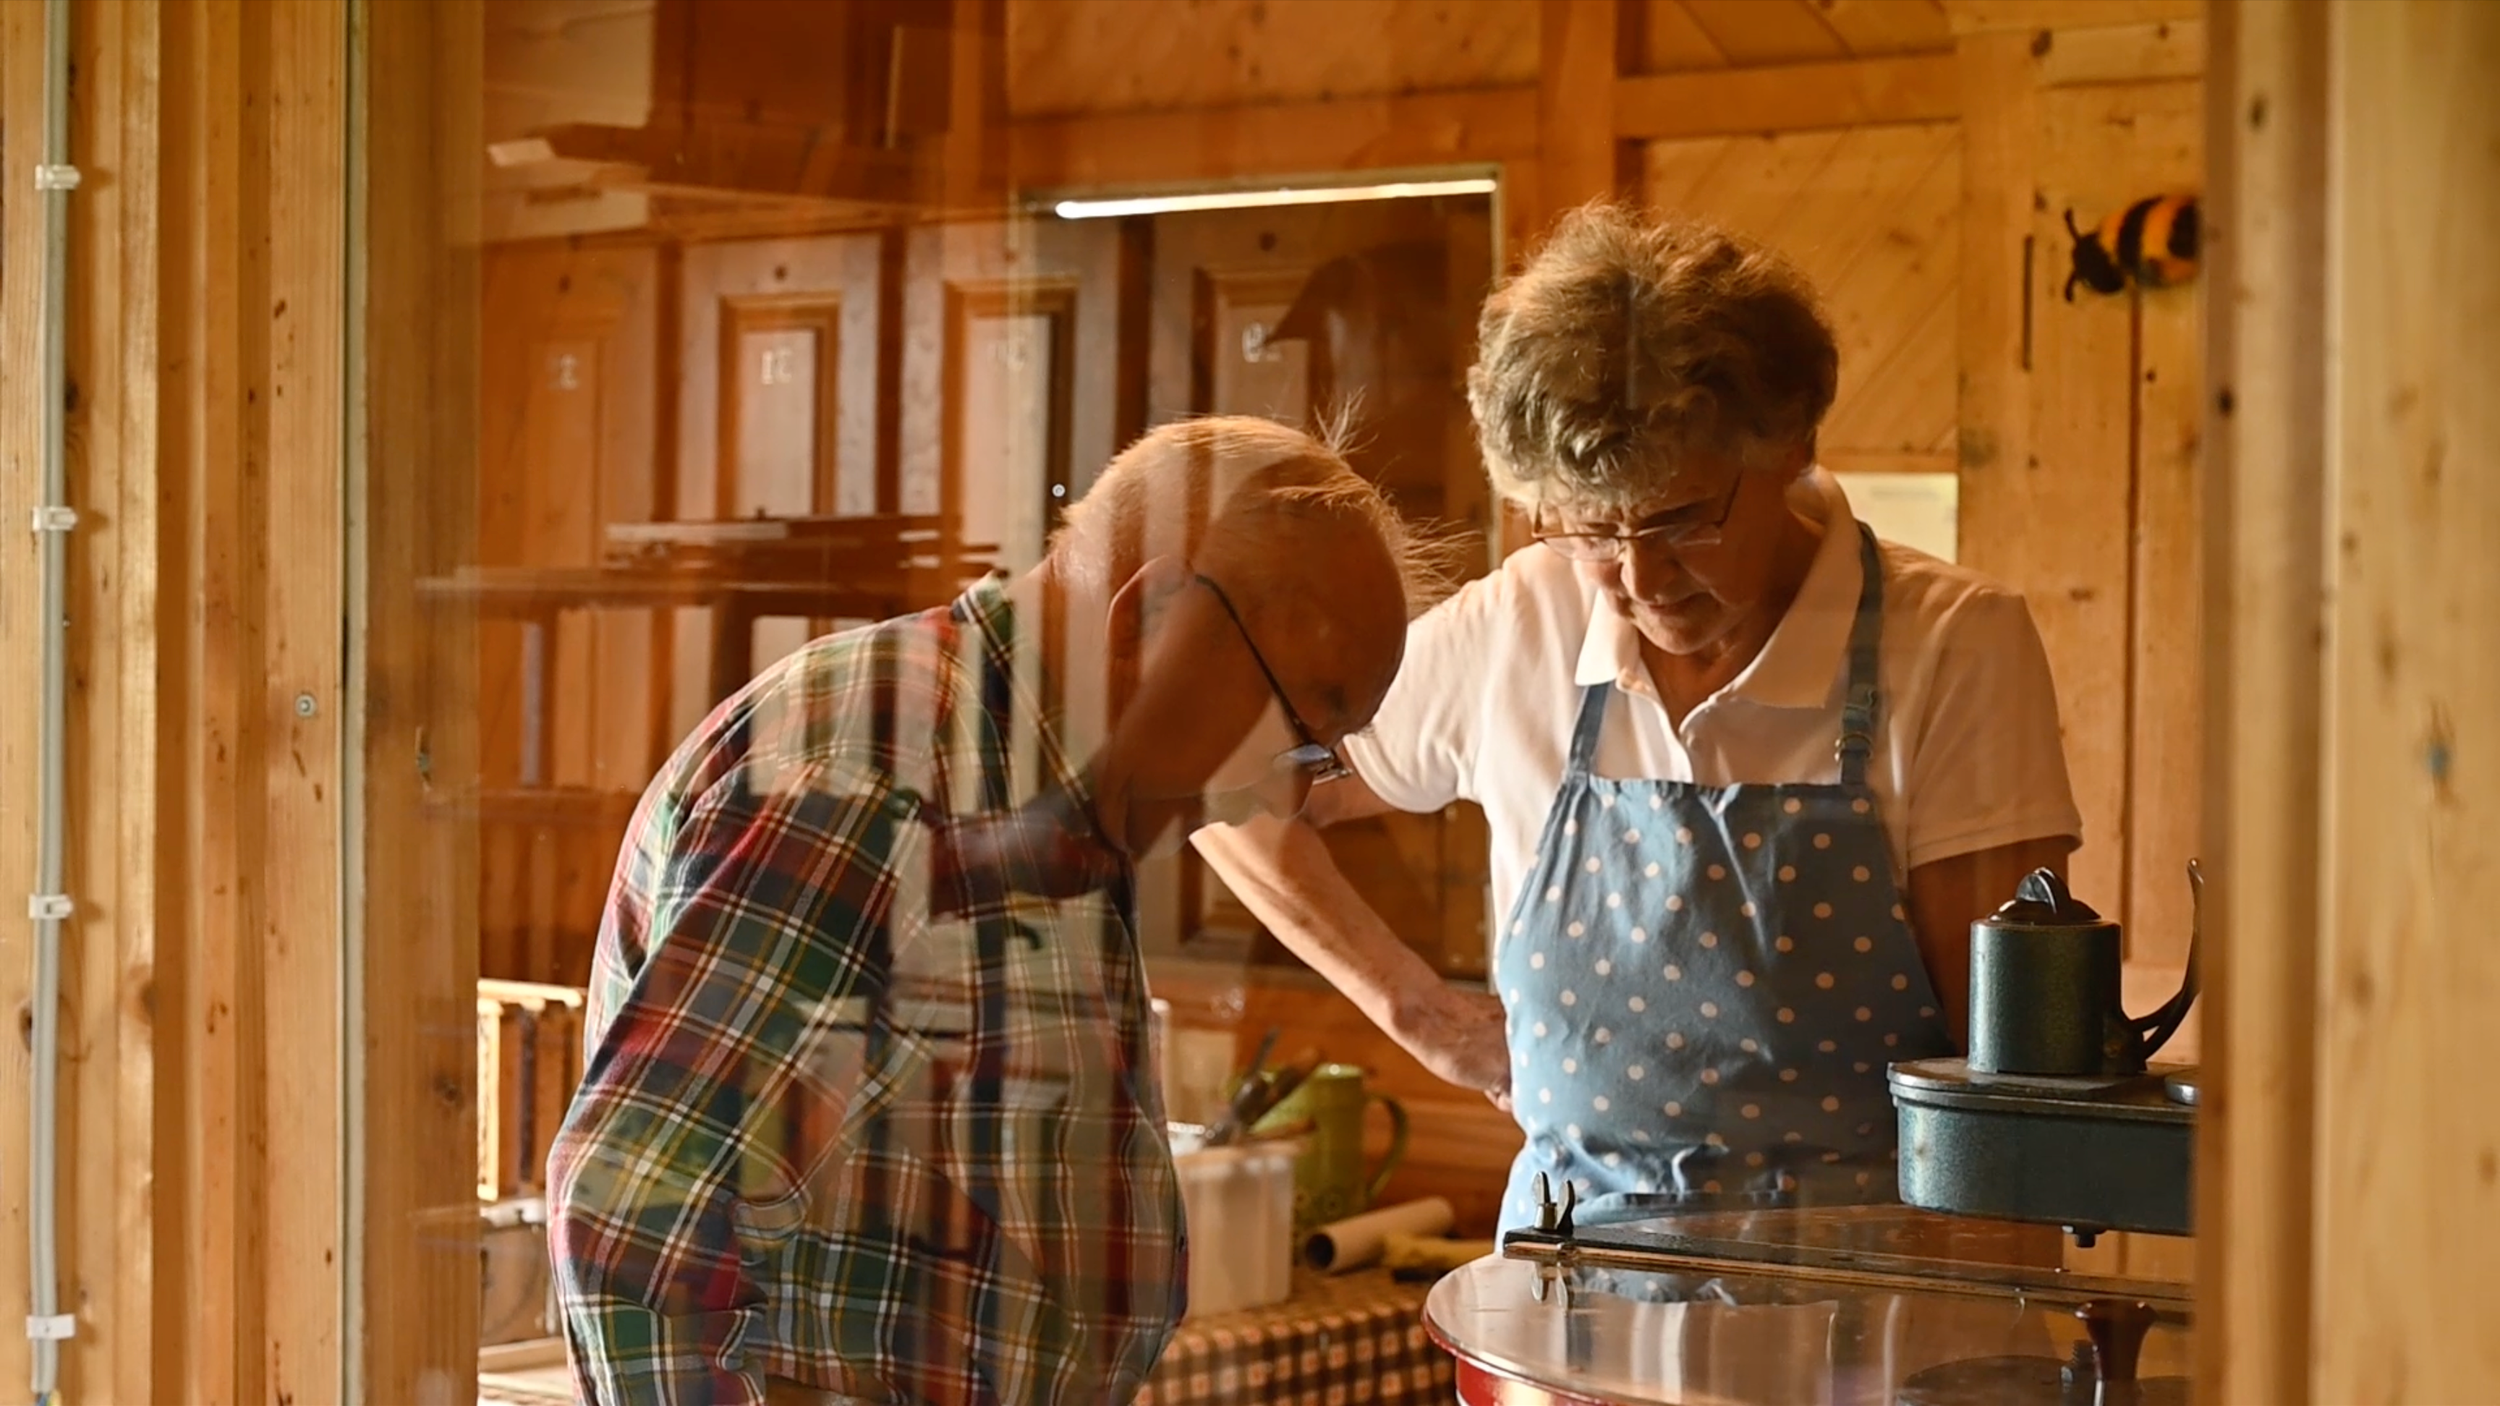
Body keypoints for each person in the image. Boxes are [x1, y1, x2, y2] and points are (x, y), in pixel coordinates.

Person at [1192, 205, 2084, 1232]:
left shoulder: (1953, 645)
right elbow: (1228, 771)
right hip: (1567, 1304)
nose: (1640, 579)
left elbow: (2004, 1074)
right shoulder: (1521, 619)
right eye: (1587, 529)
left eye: (1680, 517)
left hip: (1868, 1310)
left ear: (1790, 442)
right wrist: (1419, 1011)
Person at [546, 415, 1445, 1404]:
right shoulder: (877, 767)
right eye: (1295, 731)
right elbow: (638, 1221)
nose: (1275, 801)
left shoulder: (1043, 800)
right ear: (1147, 621)